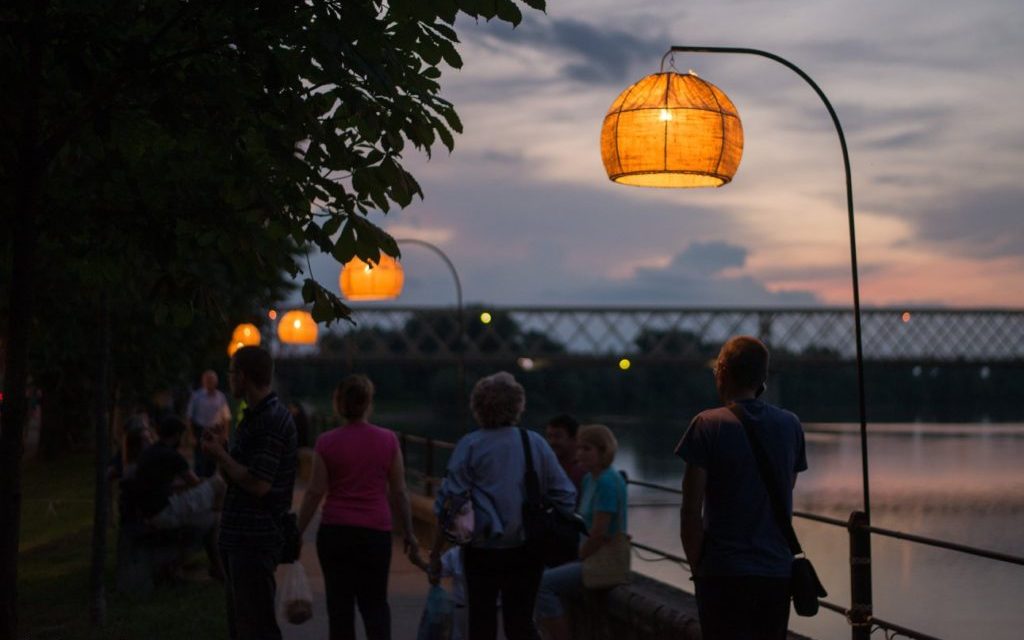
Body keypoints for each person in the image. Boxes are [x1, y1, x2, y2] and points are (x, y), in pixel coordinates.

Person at [676, 336, 808, 640]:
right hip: (776, 573)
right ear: (763, 378)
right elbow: (785, 490)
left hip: (723, 573)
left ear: (723, 371)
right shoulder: (791, 425)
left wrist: (699, 570)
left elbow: (690, 511)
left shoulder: (706, 424)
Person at [428, 371, 577, 640]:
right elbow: (566, 495)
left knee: (481, 624)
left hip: (481, 550)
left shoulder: (470, 445)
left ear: (478, 407)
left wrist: (436, 554)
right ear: (518, 405)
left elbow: (448, 505)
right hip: (526, 549)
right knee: (520, 624)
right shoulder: (534, 443)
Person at [296, 374, 418, 640]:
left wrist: (297, 531)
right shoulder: (388, 440)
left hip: (336, 534)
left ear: (338, 403)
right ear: (368, 403)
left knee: (339, 609)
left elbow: (315, 492)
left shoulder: (326, 442)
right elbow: (399, 491)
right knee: (375, 607)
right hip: (375, 535)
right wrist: (409, 532)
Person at [201, 346, 297, 640]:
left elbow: (259, 483)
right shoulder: (254, 416)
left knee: (257, 628)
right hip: (241, 536)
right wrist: (222, 451)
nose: (228, 378)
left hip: (254, 540)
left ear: (243, 376)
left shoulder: (270, 420)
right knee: (243, 627)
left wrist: (221, 455)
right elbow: (238, 476)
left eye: (231, 372)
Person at [535, 424, 628, 640]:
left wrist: (579, 557)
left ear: (603, 451)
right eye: (579, 448)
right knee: (538, 570)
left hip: (605, 561)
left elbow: (599, 533)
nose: (580, 454)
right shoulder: (590, 479)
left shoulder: (606, 481)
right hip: (590, 554)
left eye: (587, 449)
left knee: (543, 586)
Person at [131, 415, 225, 576]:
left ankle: (217, 564)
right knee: (219, 483)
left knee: (213, 512)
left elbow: (170, 484)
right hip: (164, 513)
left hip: (150, 511)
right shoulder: (173, 456)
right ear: (176, 435)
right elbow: (195, 483)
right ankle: (218, 522)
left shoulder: (151, 452)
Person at [187, 369, 231, 477]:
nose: (210, 383)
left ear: (216, 382)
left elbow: (226, 417)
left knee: (212, 461)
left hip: (215, 431)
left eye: (212, 380)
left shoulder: (221, 397)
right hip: (200, 430)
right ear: (203, 382)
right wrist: (191, 434)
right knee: (200, 460)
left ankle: (209, 481)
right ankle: (199, 482)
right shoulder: (196, 396)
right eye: (208, 380)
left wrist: (225, 434)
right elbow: (189, 417)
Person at [545, 414, 586, 493]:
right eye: (549, 437)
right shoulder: (546, 468)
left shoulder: (585, 471)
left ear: (574, 439)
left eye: (557, 436)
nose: (552, 442)